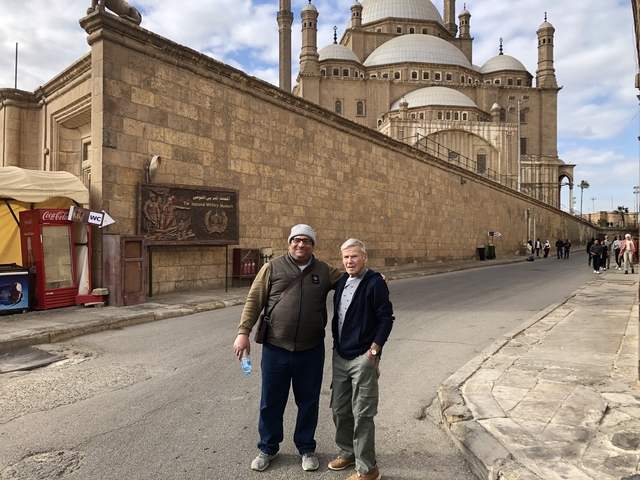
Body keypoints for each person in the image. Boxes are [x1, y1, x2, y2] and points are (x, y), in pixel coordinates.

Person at [233, 224, 343, 472]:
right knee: (271, 401)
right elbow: (254, 300)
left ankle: (306, 448)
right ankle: (267, 448)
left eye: (306, 241)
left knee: (308, 401)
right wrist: (243, 333)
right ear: (289, 243)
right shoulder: (271, 267)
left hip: (311, 350)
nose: (300, 244)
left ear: (313, 245)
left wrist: (373, 276)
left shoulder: (324, 270)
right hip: (276, 349)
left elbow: (351, 277)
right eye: (296, 240)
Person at [328, 239, 394, 480]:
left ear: (365, 258)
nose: (349, 261)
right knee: (340, 409)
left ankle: (368, 469)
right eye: (346, 257)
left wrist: (374, 351)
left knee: (363, 412)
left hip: (363, 357)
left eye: (354, 256)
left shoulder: (375, 283)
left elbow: (386, 319)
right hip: (340, 356)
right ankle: (348, 451)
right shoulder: (342, 280)